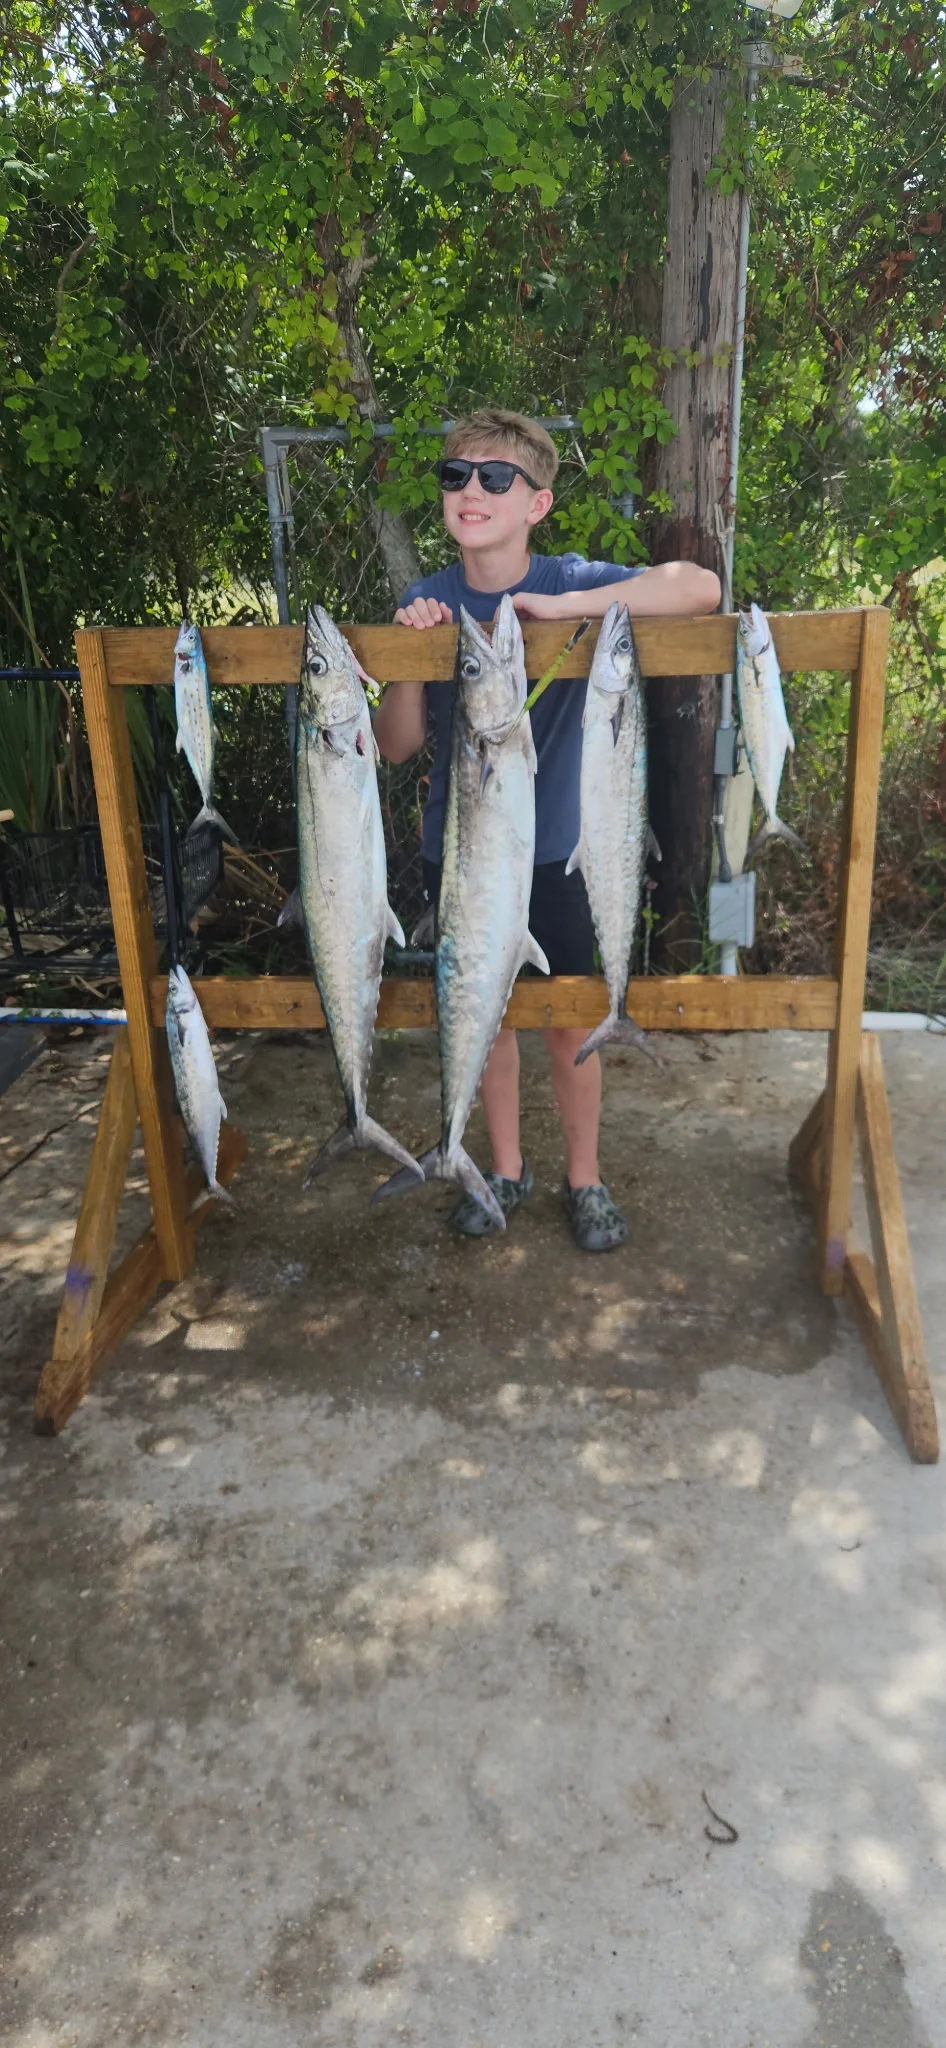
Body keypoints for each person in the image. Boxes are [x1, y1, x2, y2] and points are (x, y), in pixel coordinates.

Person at [373, 408, 720, 1253]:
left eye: (497, 479)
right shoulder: (425, 600)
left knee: (571, 1020)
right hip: (460, 854)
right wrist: (413, 662)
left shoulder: (573, 575)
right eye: (457, 477)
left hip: (568, 850)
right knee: (484, 1018)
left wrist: (571, 607)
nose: (472, 492)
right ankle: (503, 1168)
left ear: (537, 503)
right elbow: (395, 746)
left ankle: (584, 1177)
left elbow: (698, 589)